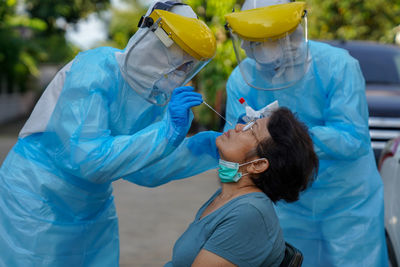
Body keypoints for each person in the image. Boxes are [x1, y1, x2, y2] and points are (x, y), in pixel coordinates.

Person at [0, 1, 220, 266]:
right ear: (154, 41)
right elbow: (88, 160)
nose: (181, 71)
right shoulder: (95, 71)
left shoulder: (153, 97)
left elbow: (145, 168)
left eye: (189, 64)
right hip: (37, 197)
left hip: (92, 204)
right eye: (178, 57)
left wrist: (212, 146)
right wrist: (166, 133)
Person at [223, 0, 388, 266]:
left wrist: (289, 136)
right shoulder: (242, 79)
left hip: (348, 203)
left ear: (292, 35)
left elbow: (352, 139)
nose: (271, 71)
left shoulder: (337, 66)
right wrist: (226, 198)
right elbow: (232, 155)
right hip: (286, 204)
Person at [164, 107, 319, 267]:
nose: (238, 127)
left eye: (251, 130)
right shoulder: (226, 196)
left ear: (257, 164)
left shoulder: (249, 213)